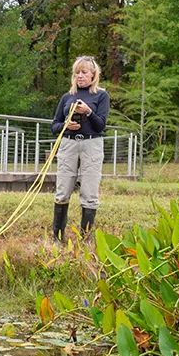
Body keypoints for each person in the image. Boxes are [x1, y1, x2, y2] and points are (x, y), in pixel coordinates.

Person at [50, 56, 110, 242]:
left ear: (93, 74)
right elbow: (54, 125)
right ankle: (57, 238)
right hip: (68, 144)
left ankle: (86, 239)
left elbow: (101, 125)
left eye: (84, 72)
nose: (80, 76)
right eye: (77, 72)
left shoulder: (101, 96)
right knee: (62, 190)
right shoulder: (67, 97)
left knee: (89, 192)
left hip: (92, 144)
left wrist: (88, 112)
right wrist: (66, 126)